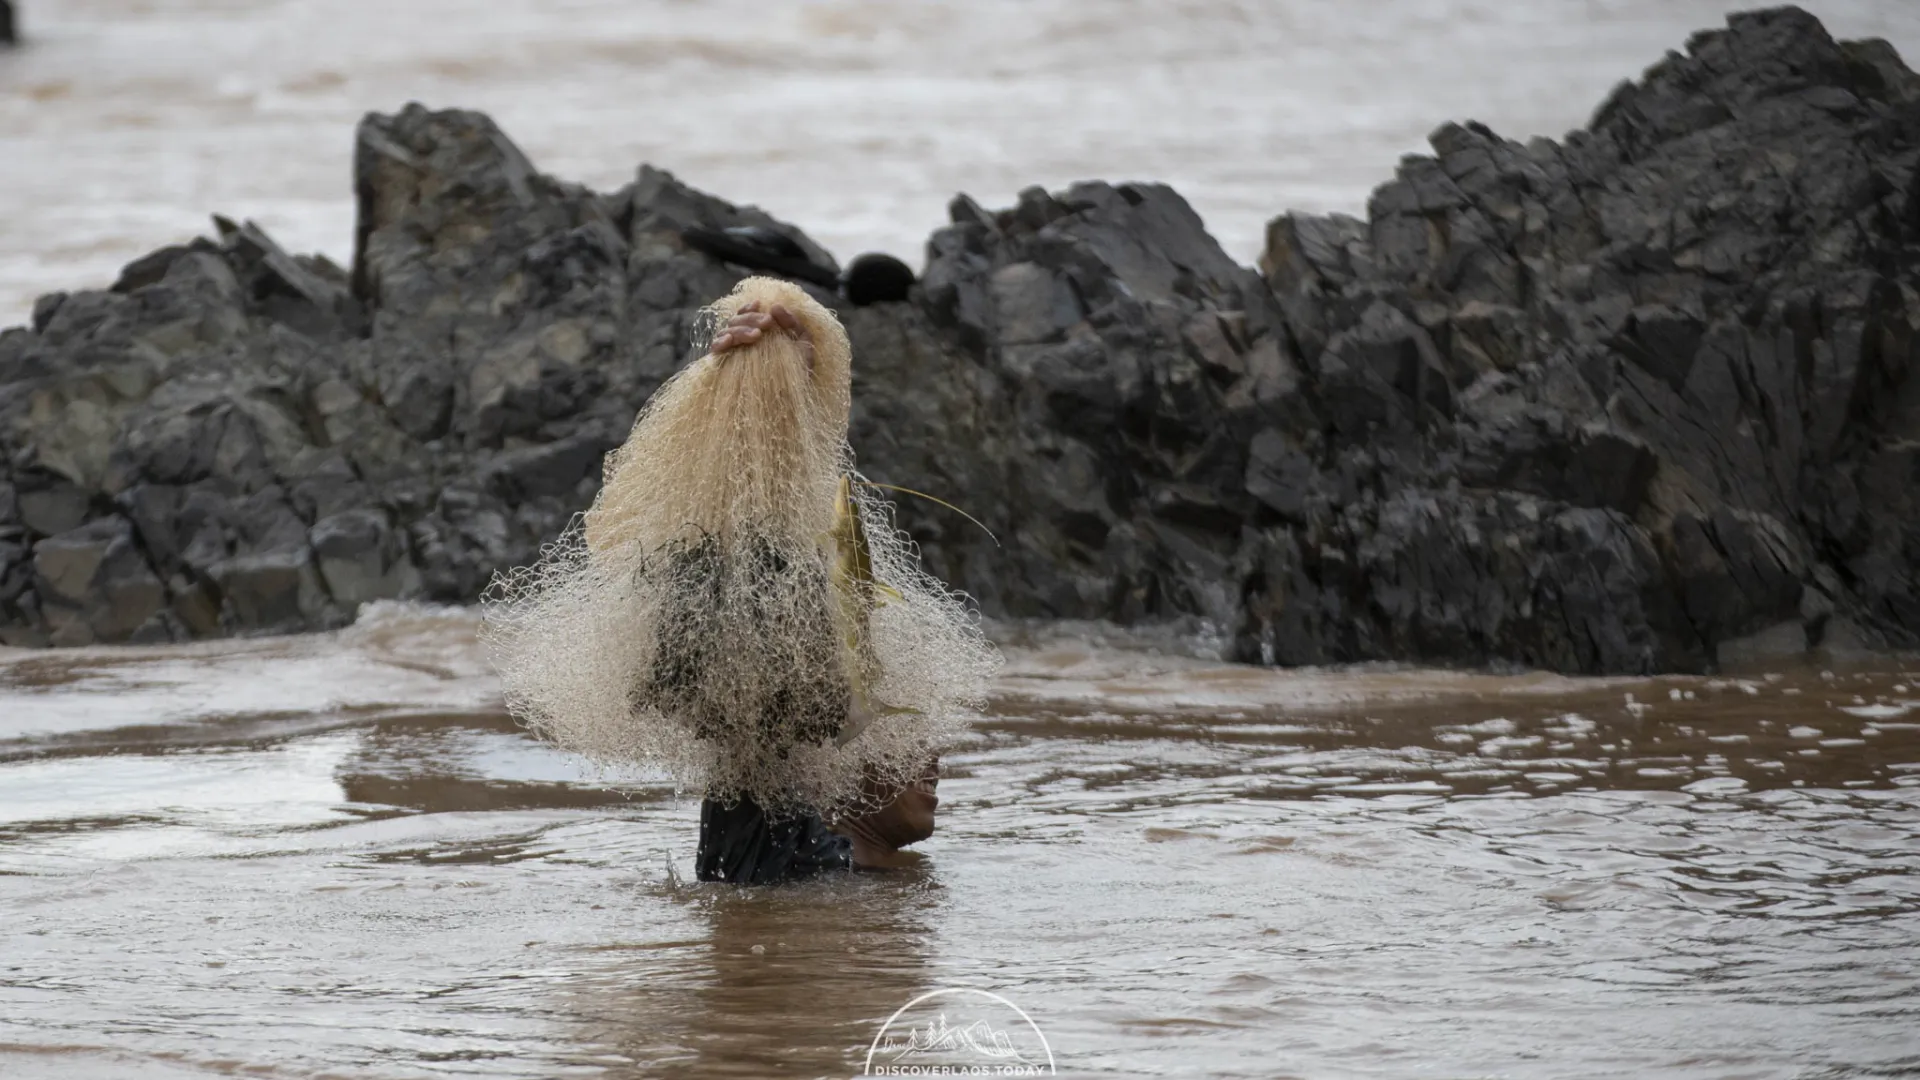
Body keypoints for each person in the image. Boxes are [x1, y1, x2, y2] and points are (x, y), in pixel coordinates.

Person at [482, 278, 997, 887]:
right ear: (825, 736)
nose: (931, 757)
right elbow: (745, 595)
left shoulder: (896, 883)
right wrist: (766, 396)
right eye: (898, 727)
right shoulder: (779, 841)